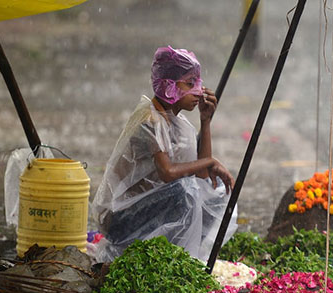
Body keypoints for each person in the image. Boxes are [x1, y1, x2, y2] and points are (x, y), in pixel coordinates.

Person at [91, 46, 238, 262]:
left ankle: (185, 257)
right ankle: (171, 257)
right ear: (168, 86)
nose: (198, 91)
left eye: (198, 83)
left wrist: (205, 121)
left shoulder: (178, 123)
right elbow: (168, 173)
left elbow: (202, 178)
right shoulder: (149, 120)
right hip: (120, 219)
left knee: (216, 195)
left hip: (152, 207)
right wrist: (210, 161)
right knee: (184, 192)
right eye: (190, 83)